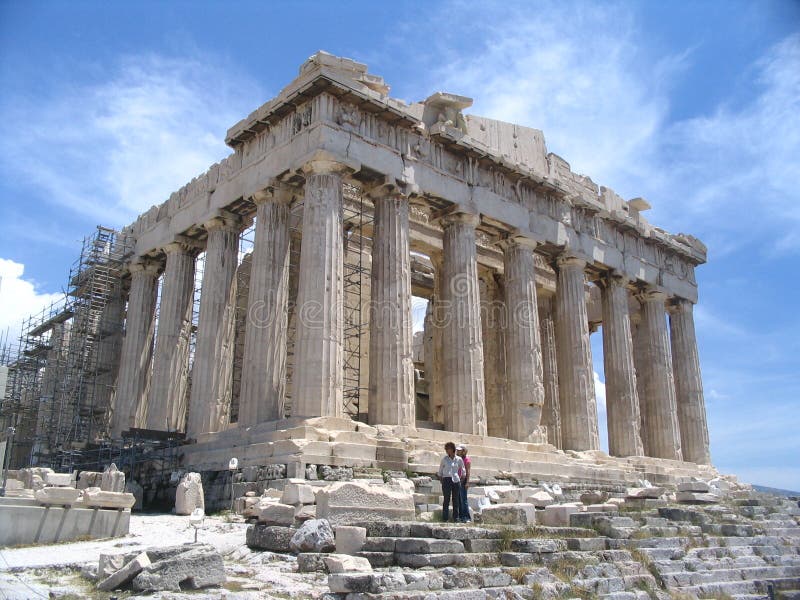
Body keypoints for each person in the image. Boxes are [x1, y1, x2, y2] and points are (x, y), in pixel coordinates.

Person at [437, 441, 464, 522]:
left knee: (455, 500)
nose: (447, 451)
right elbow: (440, 471)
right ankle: (445, 518)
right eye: (446, 449)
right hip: (446, 480)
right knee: (446, 499)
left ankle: (456, 517)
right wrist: (442, 480)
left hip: (456, 480)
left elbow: (463, 469)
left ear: (452, 449)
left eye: (448, 449)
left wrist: (461, 478)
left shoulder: (459, 459)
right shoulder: (444, 459)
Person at [456, 444, 471, 522]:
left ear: (463, 451)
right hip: (457, 480)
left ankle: (467, 517)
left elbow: (468, 472)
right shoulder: (457, 459)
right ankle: (461, 516)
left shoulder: (467, 460)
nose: (457, 452)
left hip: (463, 481)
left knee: (464, 499)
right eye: (457, 450)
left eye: (459, 450)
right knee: (458, 499)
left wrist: (467, 482)